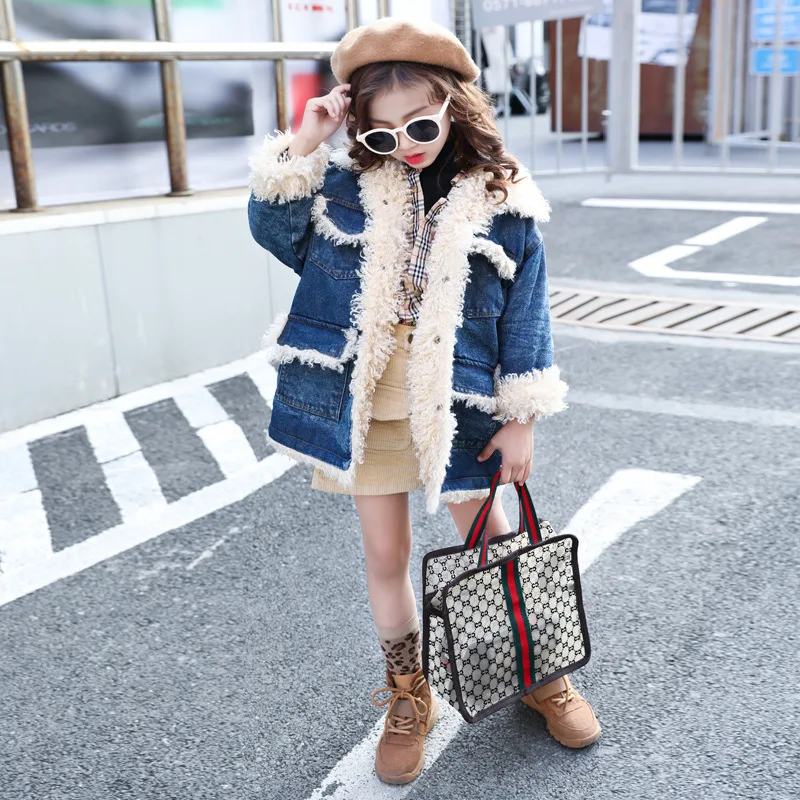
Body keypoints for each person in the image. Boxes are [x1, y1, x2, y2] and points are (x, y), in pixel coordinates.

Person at [247, 16, 600, 786]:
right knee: (385, 556)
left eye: (420, 125)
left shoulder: (504, 200)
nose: (404, 145)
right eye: (382, 134)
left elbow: (527, 316)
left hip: (463, 406)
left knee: (496, 546)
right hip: (366, 407)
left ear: (452, 106)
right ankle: (411, 696)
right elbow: (274, 232)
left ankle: (540, 674)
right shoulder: (345, 188)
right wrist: (306, 143)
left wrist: (521, 417)